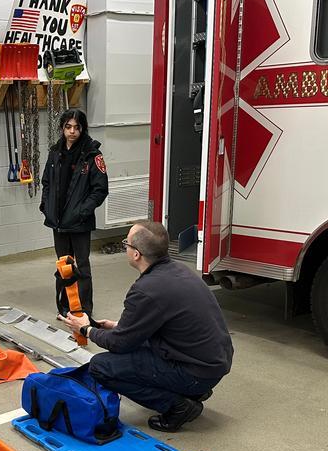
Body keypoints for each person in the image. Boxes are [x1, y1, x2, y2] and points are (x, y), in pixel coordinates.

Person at [61, 220, 233, 432]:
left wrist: (86, 329)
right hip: (213, 364)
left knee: (100, 367)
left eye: (127, 243)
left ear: (136, 254)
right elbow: (158, 324)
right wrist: (118, 326)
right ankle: (192, 391)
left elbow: (119, 345)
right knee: (137, 347)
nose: (125, 247)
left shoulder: (146, 289)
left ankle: (178, 405)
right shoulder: (179, 270)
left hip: (196, 372)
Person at [40, 109, 108, 315]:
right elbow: (46, 182)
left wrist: (82, 211)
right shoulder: (55, 152)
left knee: (83, 266)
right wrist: (46, 207)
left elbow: (100, 190)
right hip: (58, 221)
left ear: (82, 128)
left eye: (76, 127)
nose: (72, 132)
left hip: (80, 221)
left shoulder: (92, 155)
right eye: (68, 127)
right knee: (64, 265)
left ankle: (84, 309)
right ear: (62, 128)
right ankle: (66, 307)